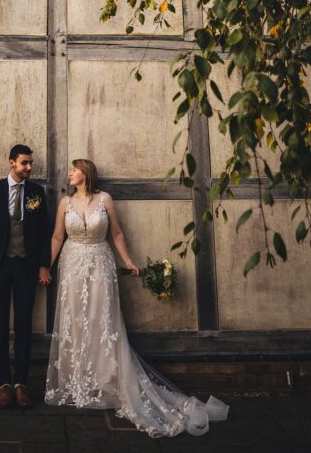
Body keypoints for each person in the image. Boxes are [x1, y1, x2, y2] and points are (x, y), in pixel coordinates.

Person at [45, 158, 229, 438]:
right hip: (71, 267)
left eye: (74, 170)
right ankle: (78, 380)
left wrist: (129, 262)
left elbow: (116, 233)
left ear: (86, 174)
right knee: (75, 321)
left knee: (101, 321)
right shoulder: (65, 203)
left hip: (100, 263)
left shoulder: (105, 199)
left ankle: (106, 380)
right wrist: (46, 265)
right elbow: (57, 237)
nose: (69, 174)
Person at [0, 143, 51, 409]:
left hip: (26, 266)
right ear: (11, 163)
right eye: (24, 163)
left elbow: (44, 231)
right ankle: (3, 384)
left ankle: (21, 384)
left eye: (30, 163)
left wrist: (44, 265)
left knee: (23, 325)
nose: (29, 167)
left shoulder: (36, 192)